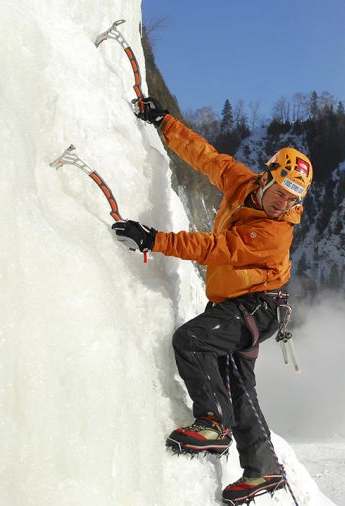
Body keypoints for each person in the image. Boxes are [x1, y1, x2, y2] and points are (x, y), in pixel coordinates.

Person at [112, 97, 311, 505]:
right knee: (240, 386)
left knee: (192, 340)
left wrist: (154, 239)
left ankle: (212, 425)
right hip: (241, 304)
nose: (284, 202)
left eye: (293, 198)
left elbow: (215, 249)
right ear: (267, 178)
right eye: (281, 191)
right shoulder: (242, 183)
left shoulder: (274, 233)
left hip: (257, 307)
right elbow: (206, 158)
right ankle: (263, 470)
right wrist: (164, 123)